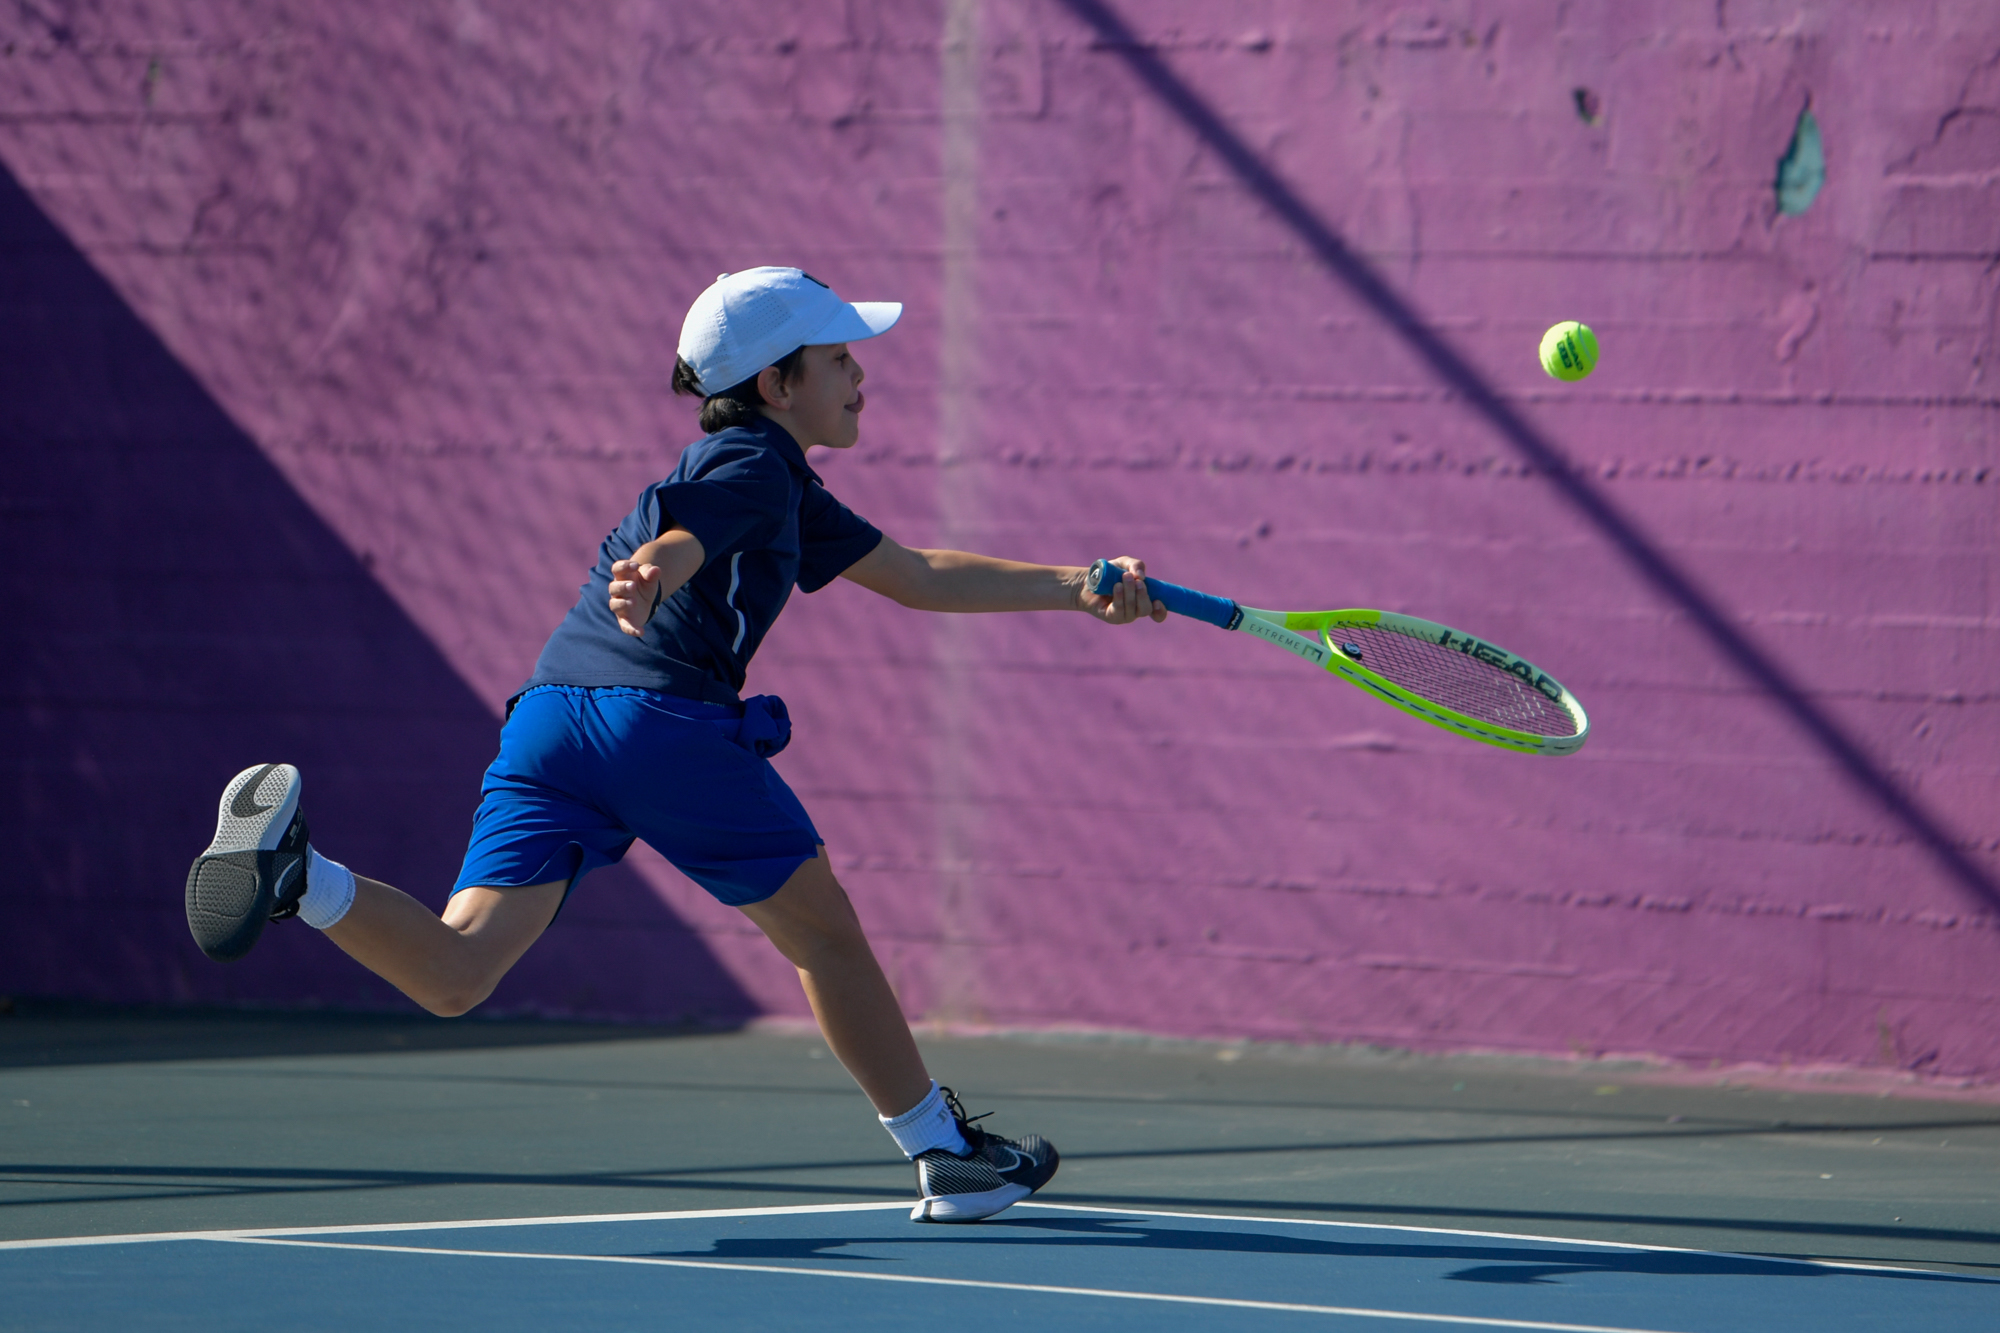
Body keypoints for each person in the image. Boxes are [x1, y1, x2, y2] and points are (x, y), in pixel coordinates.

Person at [184, 266, 1165, 1223]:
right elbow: (689, 530)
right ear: (777, 384)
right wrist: (657, 565)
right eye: (837, 359)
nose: (860, 373)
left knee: (456, 971)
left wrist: (1076, 586)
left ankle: (302, 877)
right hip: (654, 719)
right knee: (823, 934)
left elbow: (918, 574)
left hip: (549, 719)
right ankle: (944, 1152)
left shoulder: (788, 489)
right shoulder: (750, 463)